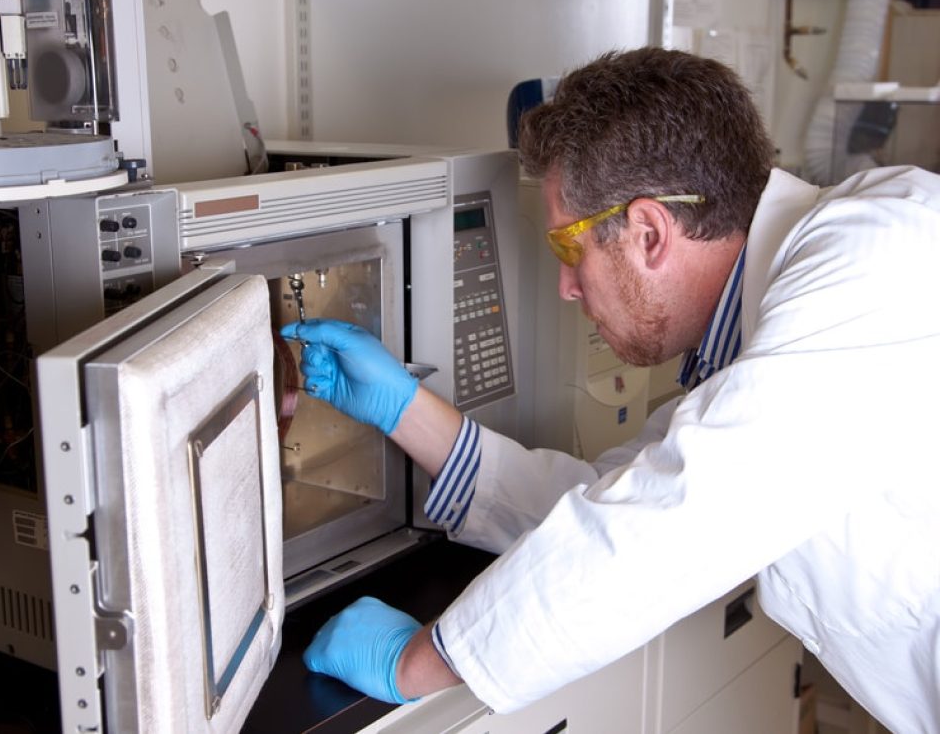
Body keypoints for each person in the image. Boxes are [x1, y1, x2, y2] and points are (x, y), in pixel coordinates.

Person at [281, 47, 940, 732]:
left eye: (570, 250)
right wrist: (404, 407)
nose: (567, 286)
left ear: (650, 232)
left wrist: (419, 660)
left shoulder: (870, 260)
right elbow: (605, 499)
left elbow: (665, 523)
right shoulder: (769, 333)